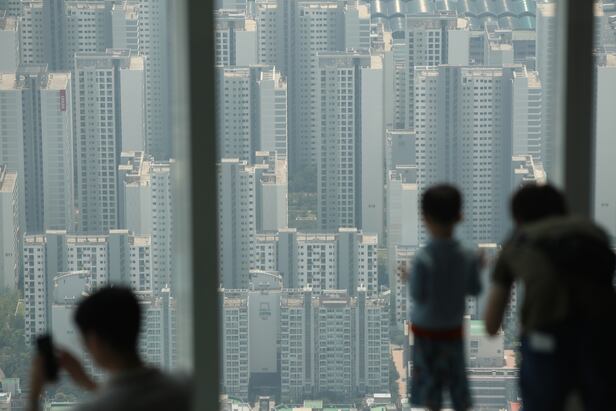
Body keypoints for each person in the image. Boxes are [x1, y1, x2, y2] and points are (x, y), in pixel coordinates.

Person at [484, 183, 616, 411]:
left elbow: (491, 323)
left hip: (546, 338)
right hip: (602, 334)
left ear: (518, 218)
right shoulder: (593, 232)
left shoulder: (518, 242)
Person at [28, 286, 191, 411]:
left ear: (95, 340)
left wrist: (34, 394)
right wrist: (88, 382)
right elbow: (133, 395)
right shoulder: (183, 386)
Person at [402, 184, 482, 411]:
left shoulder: (423, 258)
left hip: (426, 334)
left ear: (424, 218)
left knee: (430, 393)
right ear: (460, 217)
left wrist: (410, 277)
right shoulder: (467, 256)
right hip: (452, 332)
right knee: (457, 386)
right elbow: (475, 289)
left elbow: (418, 294)